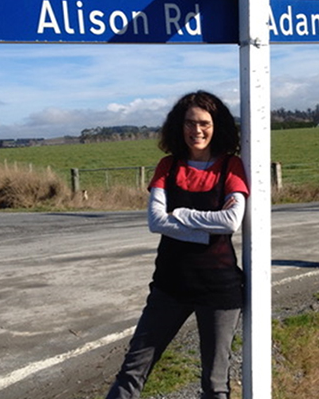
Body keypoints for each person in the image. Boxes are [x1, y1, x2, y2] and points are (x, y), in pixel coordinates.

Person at [105, 91, 250, 399]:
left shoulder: (230, 167)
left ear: (217, 126)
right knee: (132, 372)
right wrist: (204, 227)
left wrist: (181, 215)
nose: (196, 131)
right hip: (169, 286)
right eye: (189, 123)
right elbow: (156, 221)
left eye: (204, 123)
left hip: (219, 289)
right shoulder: (168, 166)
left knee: (215, 384)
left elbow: (230, 222)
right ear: (178, 126)